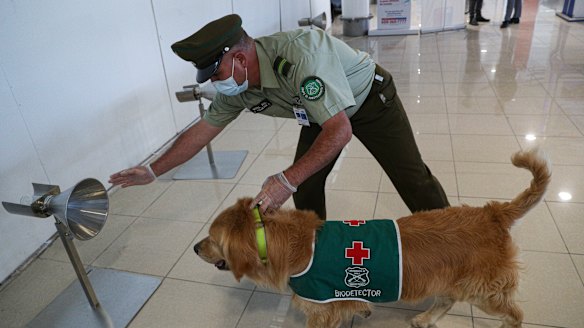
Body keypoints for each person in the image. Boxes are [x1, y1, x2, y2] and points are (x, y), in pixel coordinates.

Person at [109, 14, 450, 219]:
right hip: (320, 116)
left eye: (216, 73)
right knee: (306, 188)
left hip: (370, 101)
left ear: (240, 59)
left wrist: (284, 180)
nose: (215, 82)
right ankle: (313, 252)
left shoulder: (301, 57)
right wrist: (153, 170)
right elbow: (204, 129)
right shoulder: (239, 86)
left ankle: (461, 244)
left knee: (412, 179)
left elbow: (339, 130)